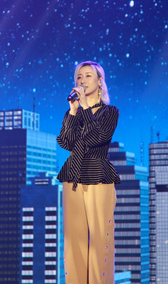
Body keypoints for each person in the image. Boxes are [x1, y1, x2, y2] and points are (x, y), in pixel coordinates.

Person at [57, 60, 121, 284]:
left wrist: (84, 108)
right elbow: (65, 142)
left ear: (100, 81)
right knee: (73, 241)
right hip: (72, 177)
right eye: (78, 77)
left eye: (87, 76)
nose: (82, 80)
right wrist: (73, 111)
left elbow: (98, 138)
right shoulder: (74, 112)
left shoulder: (110, 111)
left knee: (100, 240)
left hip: (98, 177)